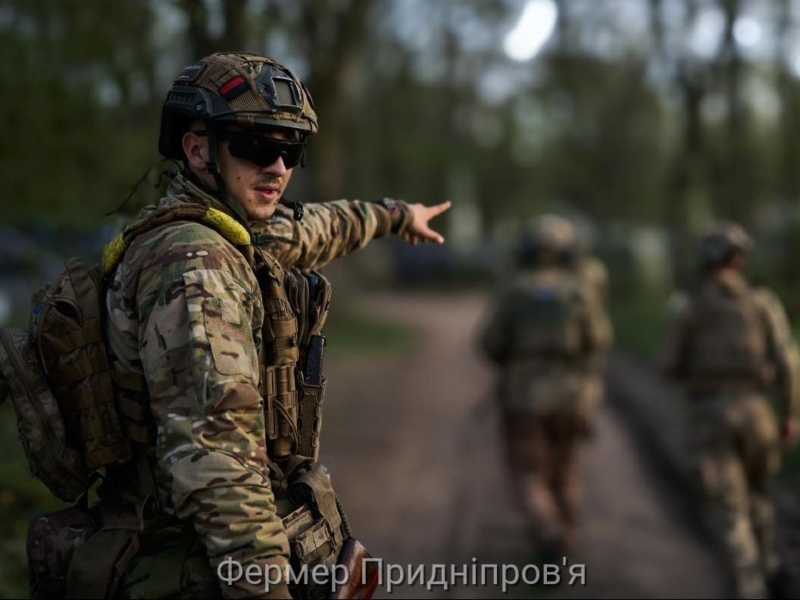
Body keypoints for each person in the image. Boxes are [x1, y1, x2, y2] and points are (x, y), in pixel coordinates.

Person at [84, 51, 451, 599]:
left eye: (290, 150)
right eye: (257, 147)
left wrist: (398, 215)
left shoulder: (235, 230)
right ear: (196, 149)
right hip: (189, 563)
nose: (278, 168)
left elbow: (317, 227)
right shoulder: (196, 269)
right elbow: (220, 470)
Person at [660, 221, 800, 600]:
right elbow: (788, 365)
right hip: (758, 413)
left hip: (710, 416)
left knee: (728, 506)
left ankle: (749, 584)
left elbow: (668, 366)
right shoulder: (762, 303)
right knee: (759, 493)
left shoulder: (687, 307)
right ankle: (770, 563)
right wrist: (790, 416)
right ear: (738, 260)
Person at [478, 214, 614, 561]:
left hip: (523, 394)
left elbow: (491, 343)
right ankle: (566, 536)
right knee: (566, 467)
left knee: (528, 472)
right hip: (571, 393)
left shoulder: (513, 288)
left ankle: (547, 528)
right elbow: (599, 339)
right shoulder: (581, 289)